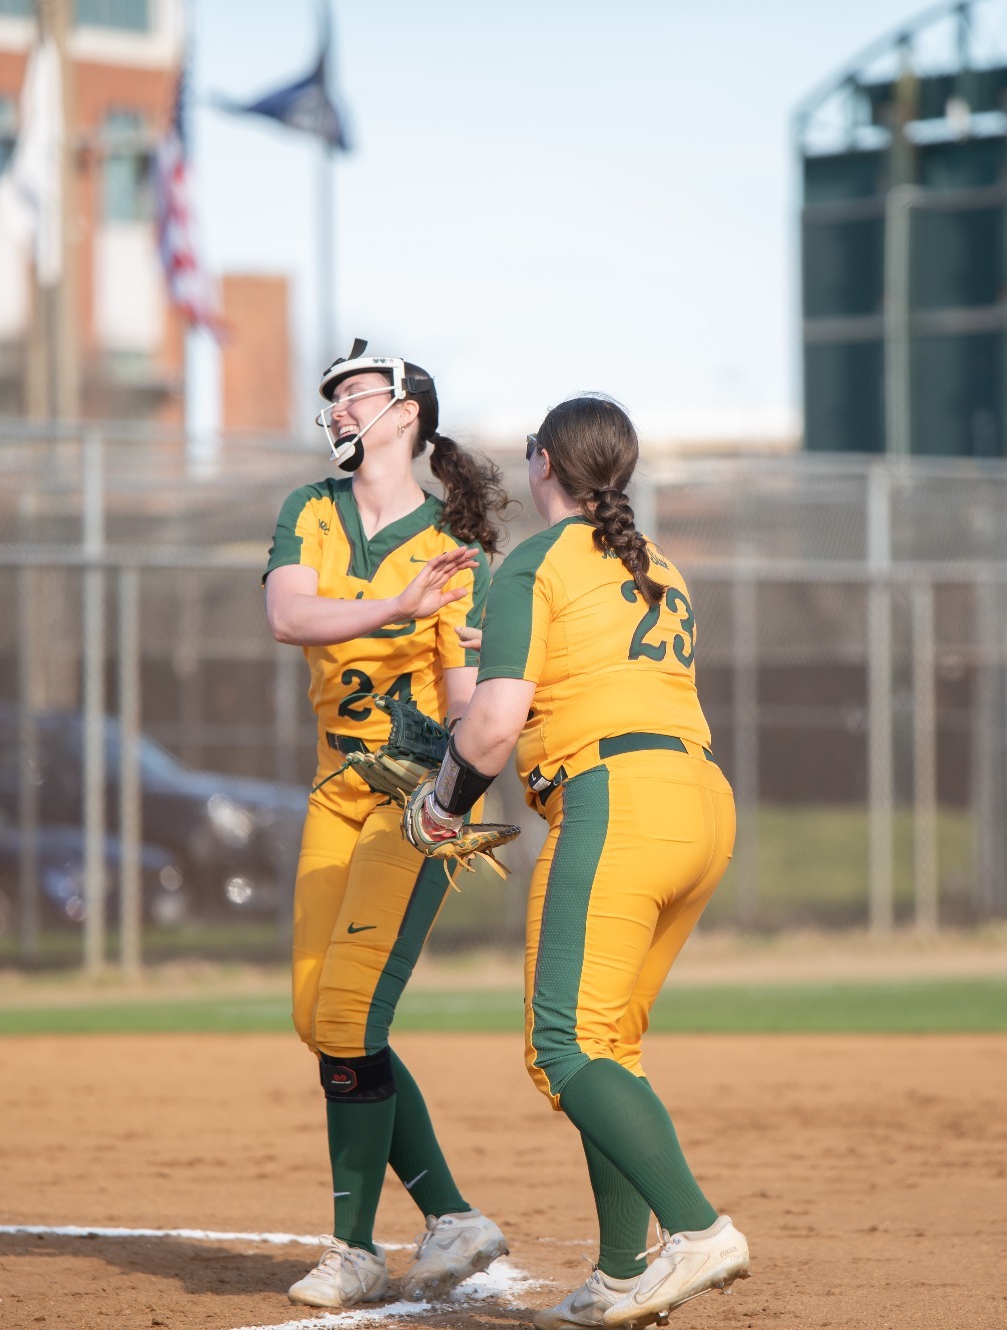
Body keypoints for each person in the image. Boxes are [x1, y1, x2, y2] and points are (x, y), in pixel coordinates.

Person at [402, 396, 750, 1330]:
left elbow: (493, 728)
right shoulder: (659, 564)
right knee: (610, 1047)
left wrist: (439, 806)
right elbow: (587, 673)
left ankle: (697, 1229)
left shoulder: (534, 562)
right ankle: (622, 1272)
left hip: (615, 806)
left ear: (544, 462)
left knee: (559, 1049)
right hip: (700, 803)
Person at [262, 342, 515, 1308]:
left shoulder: (452, 546)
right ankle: (451, 1216)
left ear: (406, 411)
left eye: (356, 393)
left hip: (411, 803)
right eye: (331, 396)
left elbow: (462, 699)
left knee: (349, 1019)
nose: (336, 408)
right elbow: (290, 616)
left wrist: (446, 802)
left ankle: (356, 1247)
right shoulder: (310, 510)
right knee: (315, 1017)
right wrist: (394, 605)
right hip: (336, 789)